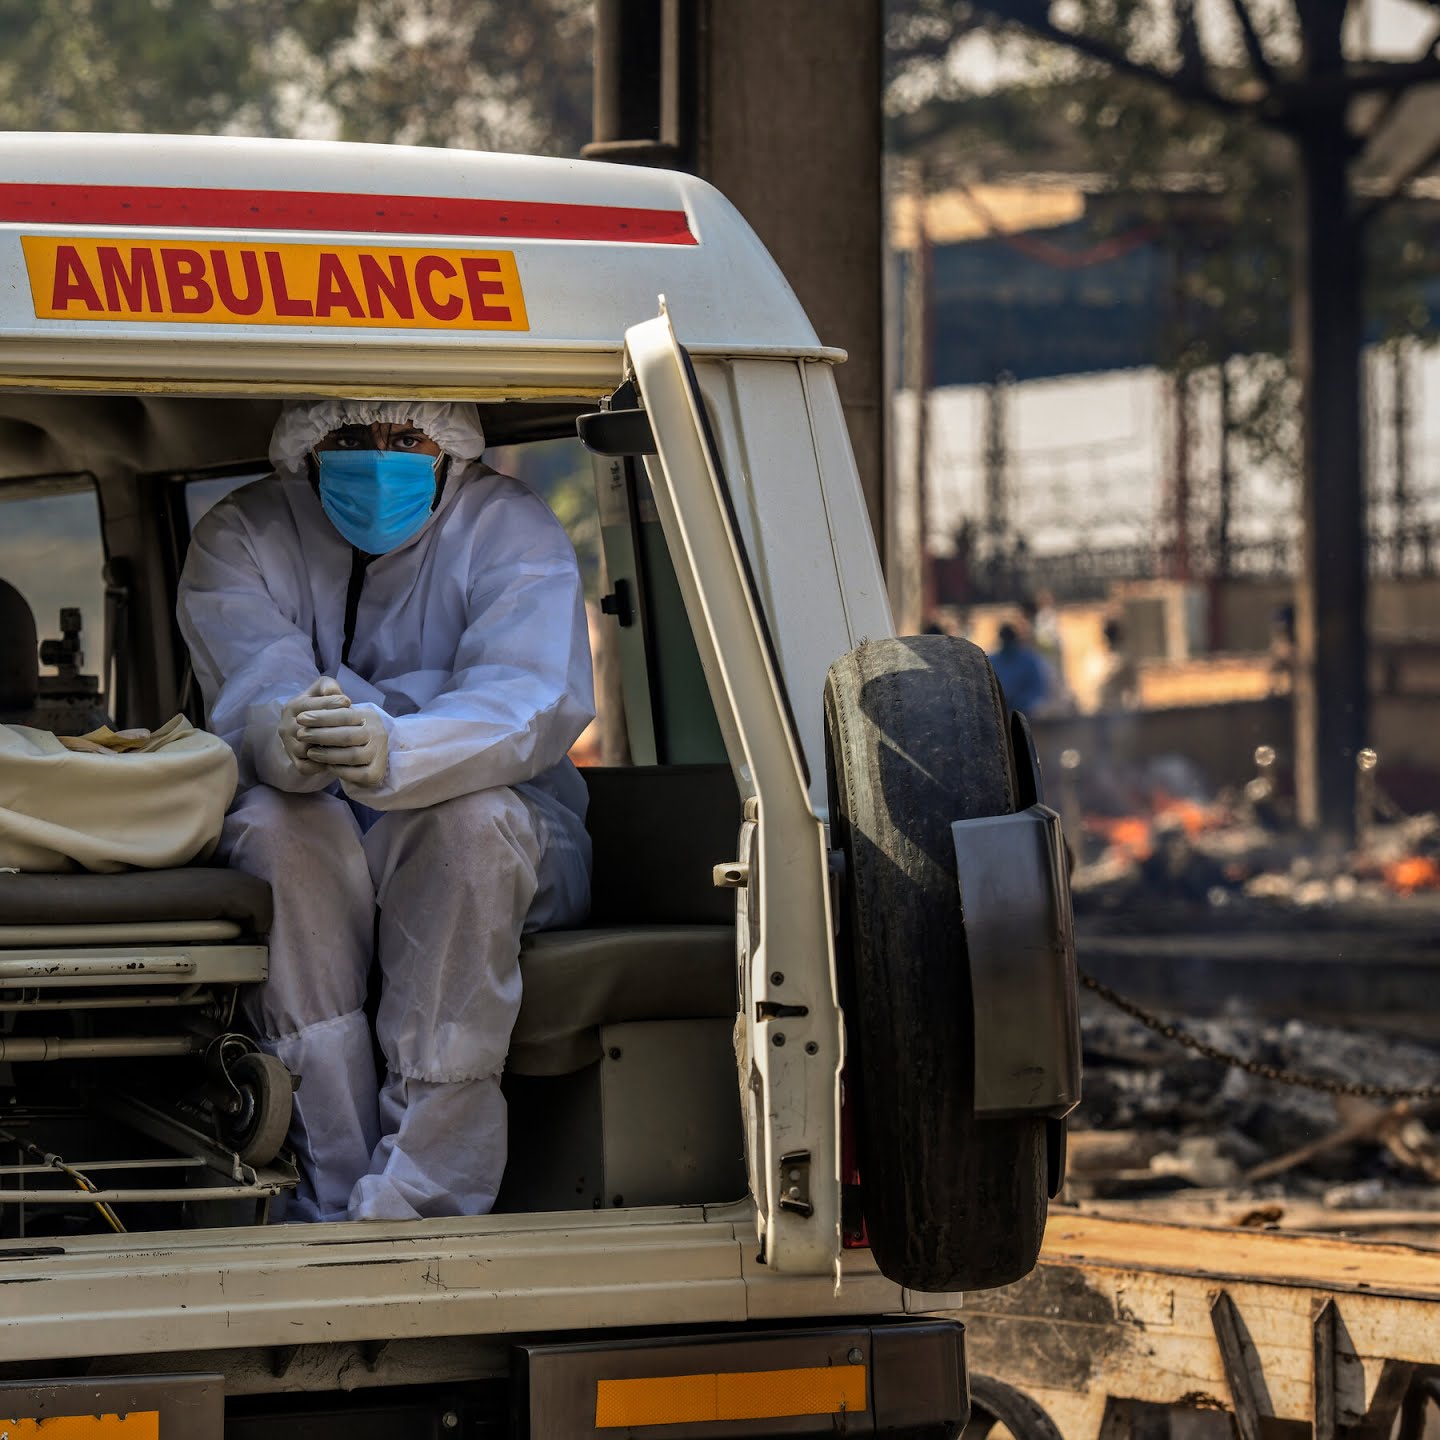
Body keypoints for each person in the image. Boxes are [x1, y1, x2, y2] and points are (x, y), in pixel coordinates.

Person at [177, 400, 594, 1223]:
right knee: (271, 829)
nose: (379, 460)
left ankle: (420, 1203)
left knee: (464, 828)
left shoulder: (506, 528)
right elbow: (252, 680)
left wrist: (403, 751)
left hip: (508, 835)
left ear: (450, 446)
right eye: (349, 439)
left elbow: (532, 696)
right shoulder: (246, 534)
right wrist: (284, 735)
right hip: (318, 827)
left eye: (407, 439)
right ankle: (328, 1199)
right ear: (304, 443)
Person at [987, 620, 1053, 715]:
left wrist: (1021, 703)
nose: (1006, 643)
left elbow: (1038, 689)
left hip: (1025, 713)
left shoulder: (1029, 661)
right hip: (998, 713)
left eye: (1008, 639)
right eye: (1004, 639)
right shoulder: (992, 661)